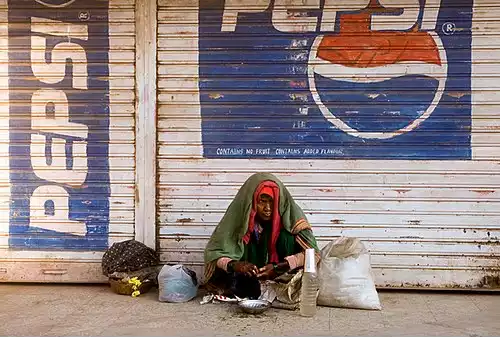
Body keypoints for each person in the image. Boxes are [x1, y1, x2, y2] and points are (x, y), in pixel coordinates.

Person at [203, 172, 320, 299]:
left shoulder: (291, 219)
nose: (268, 208)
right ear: (251, 201)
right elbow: (213, 254)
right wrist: (235, 265)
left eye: (272, 202)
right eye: (262, 201)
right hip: (246, 279)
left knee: (288, 238)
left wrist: (279, 267)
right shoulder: (238, 219)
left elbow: (314, 254)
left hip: (282, 277)